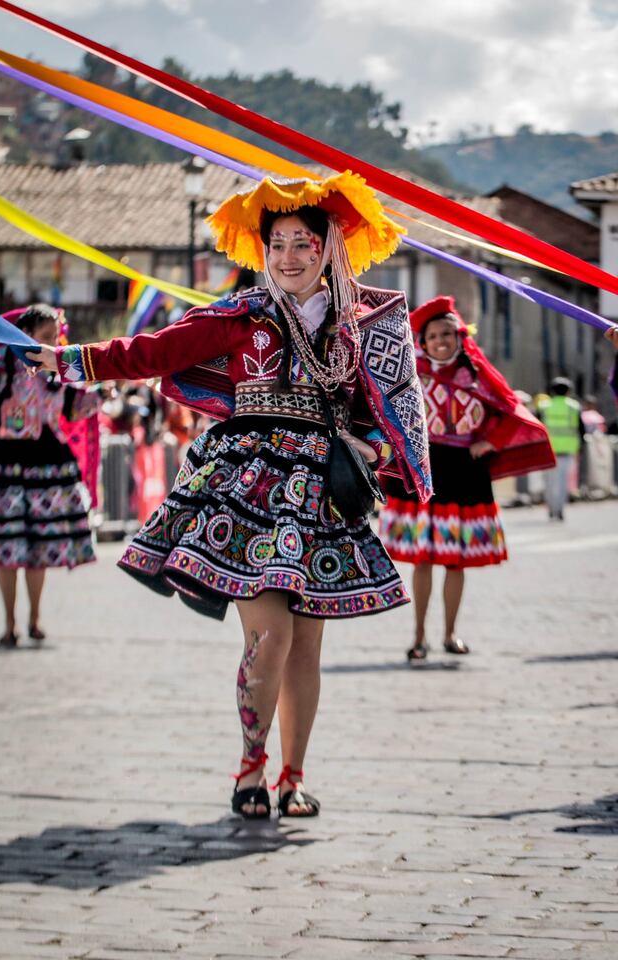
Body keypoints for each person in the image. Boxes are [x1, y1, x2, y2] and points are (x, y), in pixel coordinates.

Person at [25, 171, 432, 819]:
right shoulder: (243, 314)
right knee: (267, 639)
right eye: (278, 245)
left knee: (304, 646)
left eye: (304, 243)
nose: (290, 256)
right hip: (249, 488)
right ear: (263, 252)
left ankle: (293, 777)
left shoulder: (365, 324)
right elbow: (152, 352)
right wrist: (69, 359)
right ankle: (250, 767)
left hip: (320, 494)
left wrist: (376, 454)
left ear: (330, 248)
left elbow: (391, 409)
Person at [378, 296, 553, 662]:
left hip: (463, 470)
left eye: (448, 334)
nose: (442, 341)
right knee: (422, 558)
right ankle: (420, 636)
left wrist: (491, 441)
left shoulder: (476, 375)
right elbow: (384, 409)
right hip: (425, 470)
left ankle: (451, 633)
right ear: (422, 341)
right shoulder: (411, 373)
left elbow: (511, 412)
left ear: (460, 337)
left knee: (455, 559)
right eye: (434, 335)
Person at [0, 304, 100, 647]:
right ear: (24, 334)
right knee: (7, 549)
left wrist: (97, 391)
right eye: (47, 336)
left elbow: (75, 409)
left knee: (37, 550)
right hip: (5, 464)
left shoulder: (56, 367)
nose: (54, 341)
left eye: (55, 336)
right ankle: (9, 623)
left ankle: (33, 618)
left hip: (48, 464)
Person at [537, 377, 584, 520]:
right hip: (567, 449)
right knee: (563, 482)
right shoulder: (574, 407)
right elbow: (581, 429)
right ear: (569, 391)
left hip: (547, 450)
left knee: (549, 482)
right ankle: (560, 509)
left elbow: (537, 427)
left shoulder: (544, 406)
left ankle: (551, 508)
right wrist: (580, 448)